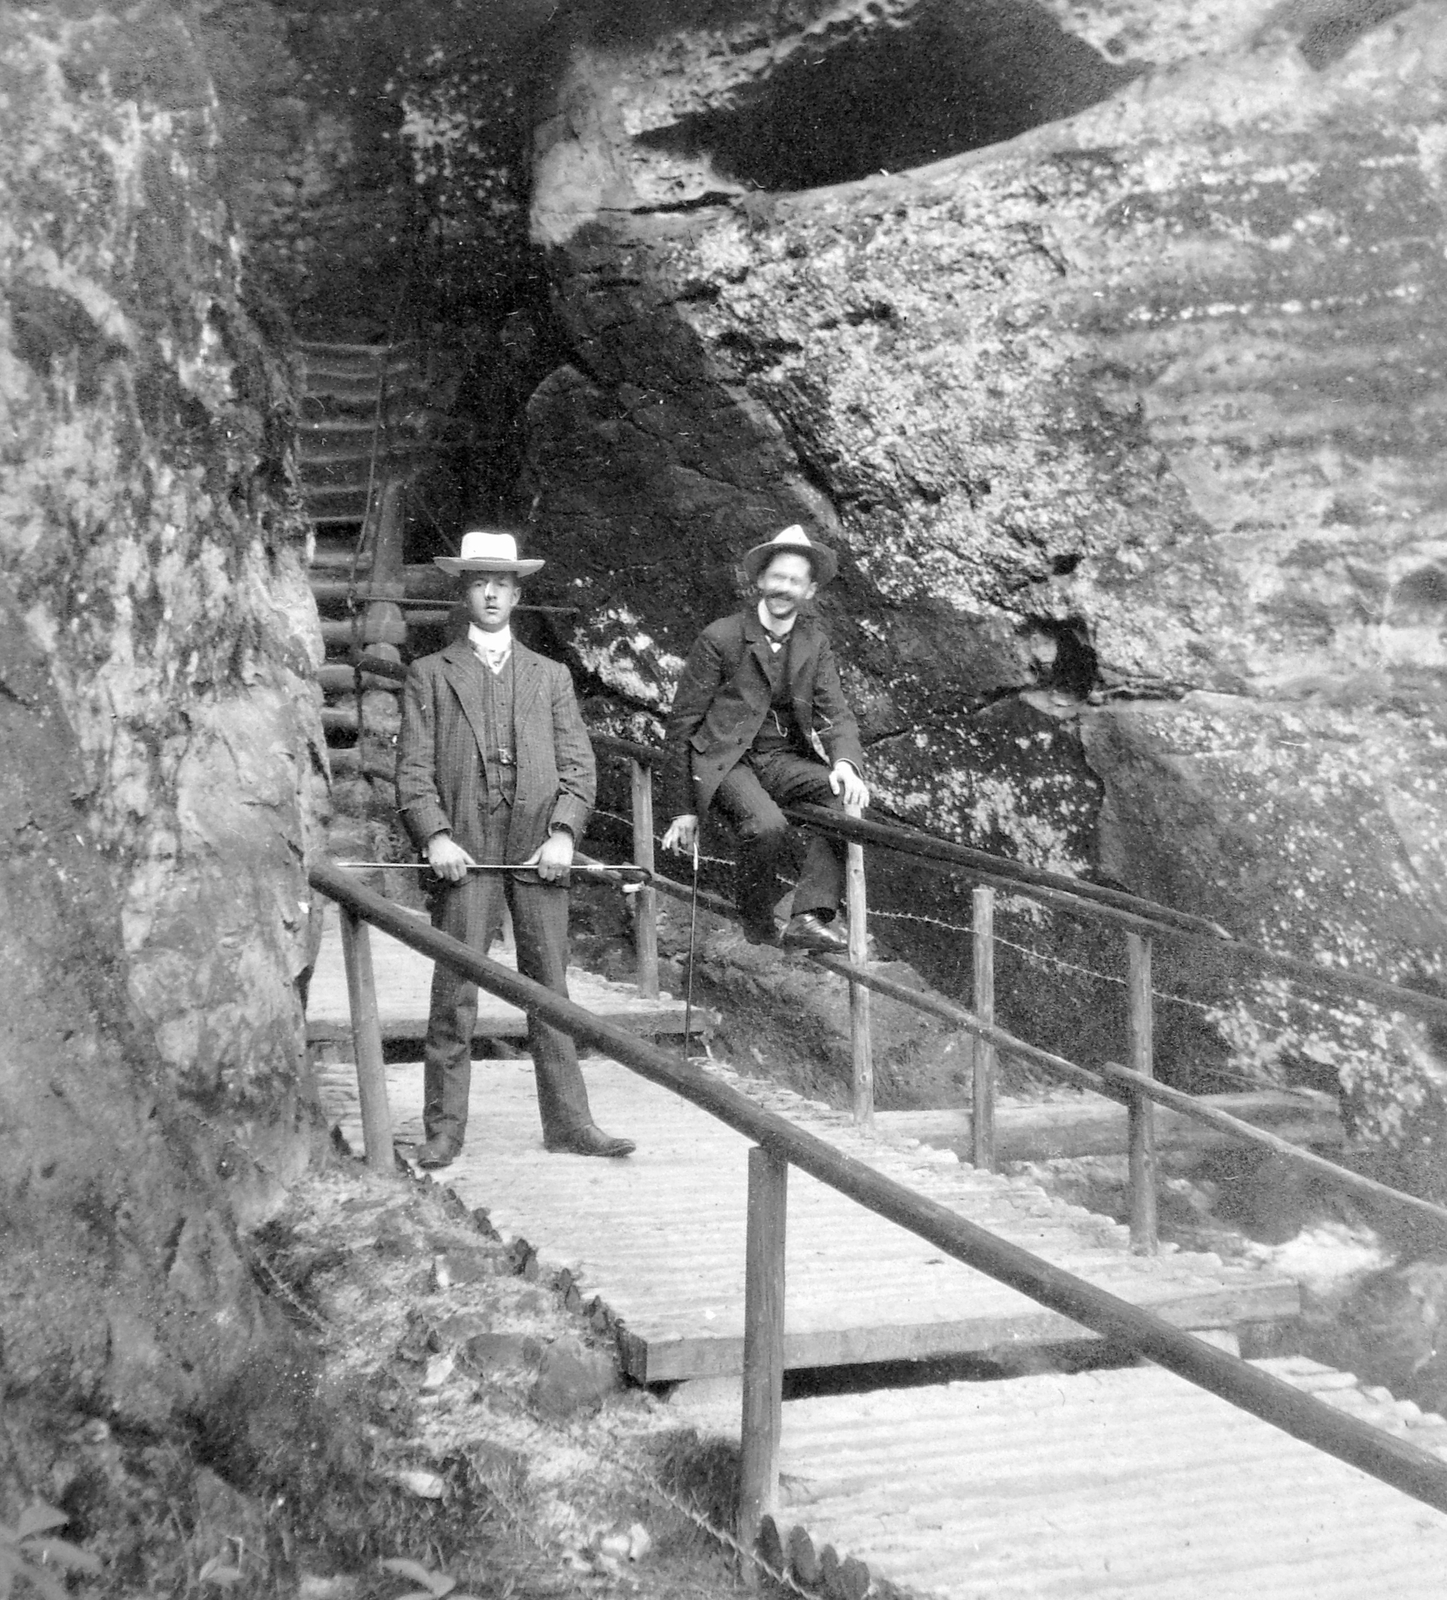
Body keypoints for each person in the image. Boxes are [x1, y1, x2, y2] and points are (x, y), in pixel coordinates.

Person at [395, 528, 635, 1167]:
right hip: (465, 850)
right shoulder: (429, 674)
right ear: (464, 591)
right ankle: (444, 1131)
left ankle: (570, 1123)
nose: (492, 593)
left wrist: (562, 833)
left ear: (518, 592)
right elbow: (414, 770)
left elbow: (579, 767)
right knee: (456, 992)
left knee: (550, 989)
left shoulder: (550, 676)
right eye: (480, 582)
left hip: (537, 850)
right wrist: (436, 835)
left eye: (502, 582)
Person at [660, 525, 869, 952]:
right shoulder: (720, 637)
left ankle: (809, 915)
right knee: (766, 826)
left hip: (781, 759)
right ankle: (757, 926)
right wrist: (683, 809)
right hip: (725, 760)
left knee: (846, 804)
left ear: (809, 591)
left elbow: (838, 713)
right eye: (777, 577)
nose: (784, 588)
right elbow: (682, 723)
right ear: (759, 580)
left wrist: (846, 764)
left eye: (795, 581)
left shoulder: (815, 642)